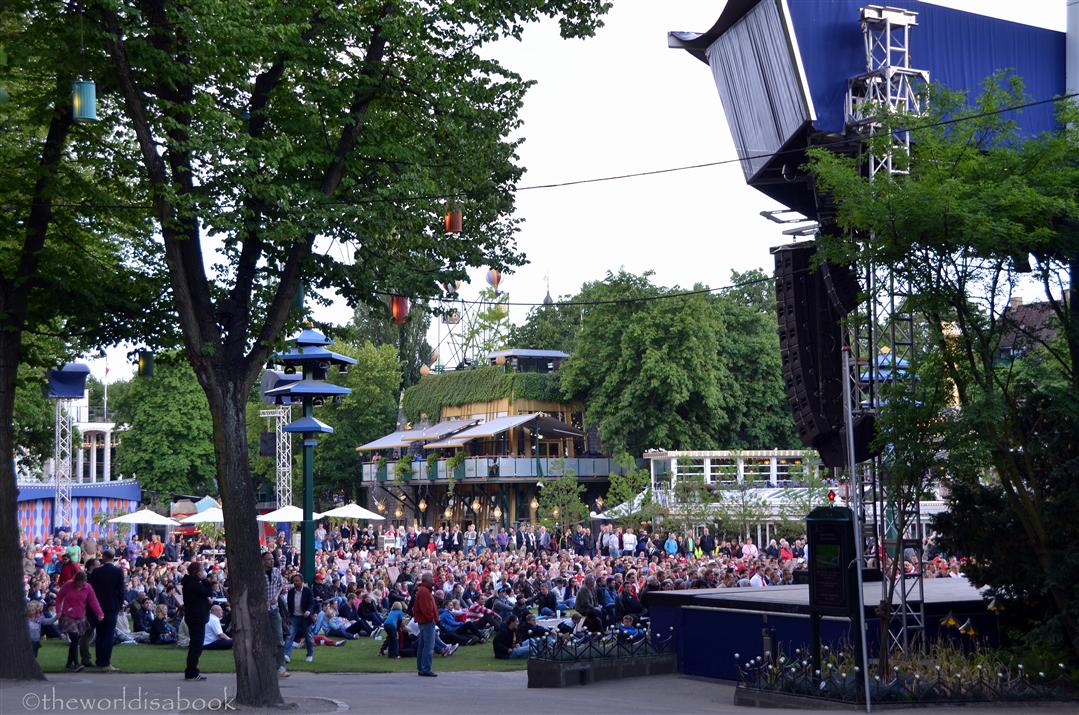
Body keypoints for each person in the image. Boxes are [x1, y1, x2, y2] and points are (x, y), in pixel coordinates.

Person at [56, 571, 103, 672]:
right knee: (74, 639)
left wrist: (99, 613)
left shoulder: (88, 587)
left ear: (85, 582)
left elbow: (93, 601)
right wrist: (58, 611)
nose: (79, 585)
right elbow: (59, 598)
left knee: (75, 640)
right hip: (68, 616)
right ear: (74, 580)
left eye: (81, 583)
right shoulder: (67, 585)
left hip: (80, 616)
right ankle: (76, 663)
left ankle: (69, 663)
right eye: (77, 583)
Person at [87, 548, 124, 672]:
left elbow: (91, 591)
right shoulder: (118, 571)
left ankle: (99, 661)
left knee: (100, 635)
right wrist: (119, 605)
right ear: (113, 557)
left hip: (98, 606)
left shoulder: (96, 572)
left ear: (103, 557)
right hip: (112, 607)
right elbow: (121, 591)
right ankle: (106, 663)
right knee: (108, 635)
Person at [181, 560, 213, 681]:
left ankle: (191, 670)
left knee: (196, 644)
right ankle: (191, 671)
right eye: (201, 571)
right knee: (196, 645)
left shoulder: (191, 583)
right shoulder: (193, 584)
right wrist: (205, 580)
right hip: (196, 617)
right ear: (196, 572)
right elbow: (207, 591)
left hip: (195, 617)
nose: (203, 573)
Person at [263, 551, 288, 677]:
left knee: (279, 638)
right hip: (261, 610)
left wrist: (276, 597)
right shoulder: (258, 574)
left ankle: (281, 666)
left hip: (274, 608)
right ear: (263, 561)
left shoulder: (277, 572)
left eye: (272, 559)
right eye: (268, 559)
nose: (271, 561)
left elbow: (281, 586)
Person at [284, 573, 315, 664]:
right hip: (294, 617)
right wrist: (289, 615)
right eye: (294, 581)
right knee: (290, 635)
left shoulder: (307, 591)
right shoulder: (291, 592)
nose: (295, 583)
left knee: (308, 637)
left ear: (302, 581)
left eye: (297, 581)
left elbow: (311, 603)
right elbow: (289, 605)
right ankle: (287, 655)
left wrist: (309, 611)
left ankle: (309, 655)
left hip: (305, 617)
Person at [412, 570, 438, 677]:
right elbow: (426, 609)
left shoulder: (423, 590)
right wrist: (431, 618)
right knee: (428, 646)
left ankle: (421, 668)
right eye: (431, 578)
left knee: (423, 645)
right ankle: (426, 668)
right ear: (427, 579)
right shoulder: (425, 591)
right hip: (426, 622)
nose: (433, 580)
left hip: (423, 621)